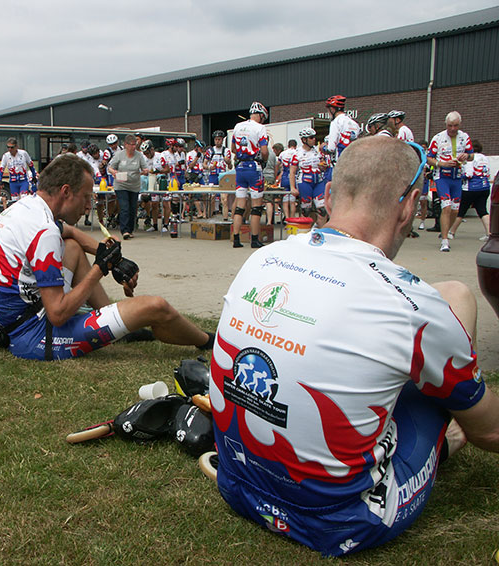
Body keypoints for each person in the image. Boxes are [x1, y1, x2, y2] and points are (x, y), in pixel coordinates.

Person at [211, 136, 497, 557]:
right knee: (454, 309)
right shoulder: (410, 304)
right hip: (342, 520)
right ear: (410, 206)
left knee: (439, 308)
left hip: (237, 486)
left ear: (326, 196)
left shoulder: (265, 257)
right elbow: (490, 431)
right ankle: (441, 440)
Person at [0, 154, 215, 361]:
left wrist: (113, 260)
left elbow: (69, 232)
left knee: (71, 246)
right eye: (86, 197)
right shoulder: (45, 231)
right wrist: (100, 268)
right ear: (66, 192)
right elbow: (58, 314)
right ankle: (207, 341)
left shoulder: (26, 207)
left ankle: (119, 328)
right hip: (31, 336)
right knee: (156, 307)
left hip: (5, 323)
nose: (88, 206)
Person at [427, 111, 473, 252]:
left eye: (456, 126)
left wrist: (467, 156)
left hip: (457, 177)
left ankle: (445, 231)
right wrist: (441, 164)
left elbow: (471, 156)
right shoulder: (438, 138)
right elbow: (429, 158)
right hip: (442, 177)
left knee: (455, 209)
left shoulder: (464, 137)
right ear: (446, 124)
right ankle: (445, 240)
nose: (453, 129)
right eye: (450, 126)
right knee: (446, 207)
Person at [231, 102, 270, 248]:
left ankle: (236, 239)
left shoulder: (237, 126)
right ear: (260, 115)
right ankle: (254, 239)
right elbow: (265, 151)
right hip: (254, 167)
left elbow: (233, 148)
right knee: (256, 207)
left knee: (240, 206)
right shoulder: (260, 128)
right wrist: (263, 161)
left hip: (240, 167)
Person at [108, 134, 150, 239]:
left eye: (135, 145)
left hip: (134, 185)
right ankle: (124, 230)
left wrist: (145, 171)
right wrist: (114, 172)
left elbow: (145, 168)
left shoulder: (139, 156)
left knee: (132, 208)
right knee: (125, 207)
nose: (133, 147)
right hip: (121, 185)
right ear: (126, 145)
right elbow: (110, 167)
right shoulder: (119, 155)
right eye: (131, 145)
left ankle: (130, 229)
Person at [449, 140, 490, 241]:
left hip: (470, 188)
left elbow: (469, 174)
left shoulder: (470, 159)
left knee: (461, 210)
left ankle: (451, 232)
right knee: (482, 210)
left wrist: (459, 176)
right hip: (484, 186)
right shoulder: (484, 158)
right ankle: (489, 233)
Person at [289, 127, 328, 227]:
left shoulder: (318, 152)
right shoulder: (297, 154)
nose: (314, 139)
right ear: (304, 140)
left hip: (318, 181)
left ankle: (319, 232)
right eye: (311, 138)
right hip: (305, 182)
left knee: (323, 210)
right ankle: (305, 232)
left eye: (314, 137)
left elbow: (324, 167)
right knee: (306, 210)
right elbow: (292, 172)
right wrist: (292, 187)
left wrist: (323, 167)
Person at [0, 137, 37, 204]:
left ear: (16, 147)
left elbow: (31, 165)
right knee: (15, 201)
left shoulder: (23, 153)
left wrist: (34, 176)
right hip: (13, 182)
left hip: (23, 180)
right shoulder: (6, 156)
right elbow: (1, 169)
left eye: (12, 147)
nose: (10, 149)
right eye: (8, 147)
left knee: (24, 198)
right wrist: (0, 180)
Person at [275, 140, 298, 220]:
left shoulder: (283, 153)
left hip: (284, 177)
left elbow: (277, 164)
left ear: (288, 145)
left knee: (285, 200)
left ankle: (287, 218)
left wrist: (276, 175)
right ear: (295, 145)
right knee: (292, 201)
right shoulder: (297, 152)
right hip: (294, 177)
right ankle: (292, 218)